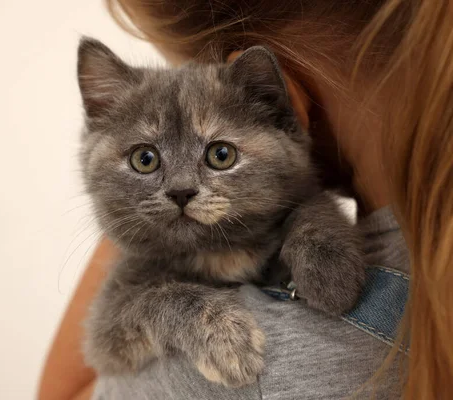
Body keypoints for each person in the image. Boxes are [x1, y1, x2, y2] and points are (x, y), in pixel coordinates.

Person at [39, 1, 453, 399]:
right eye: (145, 159)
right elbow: (108, 333)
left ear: (282, 101)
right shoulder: (423, 247)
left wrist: (310, 226)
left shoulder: (275, 370)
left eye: (220, 154)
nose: (181, 187)